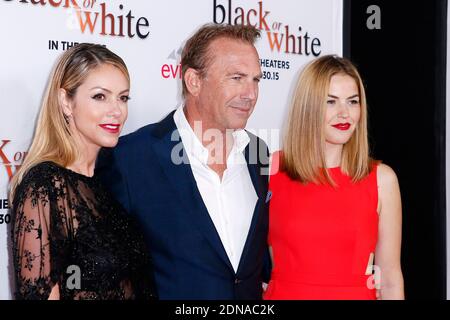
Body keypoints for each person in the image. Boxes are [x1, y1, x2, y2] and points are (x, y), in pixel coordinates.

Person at [96, 23, 271, 299]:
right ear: (193, 81)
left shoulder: (257, 153)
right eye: (236, 78)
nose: (250, 94)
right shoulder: (130, 159)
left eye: (256, 80)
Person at [9, 43, 157, 300]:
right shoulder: (44, 186)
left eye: (123, 97)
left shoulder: (109, 181)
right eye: (100, 96)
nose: (116, 110)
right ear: (66, 102)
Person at [263, 55, 404, 300]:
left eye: (352, 102)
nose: (344, 113)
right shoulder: (271, 169)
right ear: (308, 107)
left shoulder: (382, 180)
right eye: (330, 102)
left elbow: (390, 279)